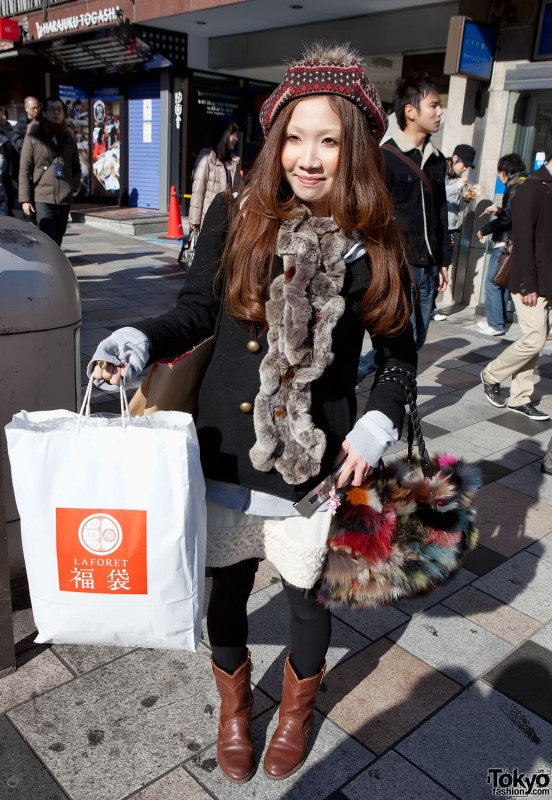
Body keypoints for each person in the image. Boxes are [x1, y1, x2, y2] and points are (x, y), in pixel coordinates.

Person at [90, 43, 417, 784]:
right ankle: (234, 709)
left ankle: (297, 709)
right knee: (227, 590)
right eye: (296, 136)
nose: (309, 157)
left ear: (354, 146)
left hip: (314, 462)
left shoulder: (371, 242)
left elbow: (401, 358)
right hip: (226, 448)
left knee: (305, 596)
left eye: (329, 139)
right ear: (275, 138)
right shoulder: (234, 215)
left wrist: (373, 426)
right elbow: (196, 310)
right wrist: (138, 338)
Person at [356, 73, 451, 382]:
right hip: (400, 266)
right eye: (434, 105)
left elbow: (440, 212)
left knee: (418, 339)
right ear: (411, 111)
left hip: (428, 266)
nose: (440, 113)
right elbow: (373, 215)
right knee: (402, 344)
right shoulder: (385, 158)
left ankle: (357, 371)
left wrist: (444, 260)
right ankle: (385, 394)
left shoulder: (437, 161)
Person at [480, 132, 552, 421]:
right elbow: (522, 240)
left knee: (534, 341)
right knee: (534, 340)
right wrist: (526, 284)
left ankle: (520, 397)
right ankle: (490, 373)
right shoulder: (532, 188)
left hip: (547, 281)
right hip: (529, 281)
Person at [19, 96, 81, 246]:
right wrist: (25, 199)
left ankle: (55, 265)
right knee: (49, 236)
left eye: (59, 109)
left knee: (59, 236)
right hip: (42, 195)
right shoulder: (34, 135)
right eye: (51, 109)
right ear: (45, 113)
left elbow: (76, 165)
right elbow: (25, 167)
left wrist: (74, 185)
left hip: (64, 195)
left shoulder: (68, 136)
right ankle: (51, 267)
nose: (56, 113)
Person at [476, 153, 527, 336]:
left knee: (492, 282)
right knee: (502, 280)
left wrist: (485, 229)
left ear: (507, 170)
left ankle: (496, 324)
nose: (498, 175)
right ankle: (497, 320)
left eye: (499, 171)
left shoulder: (513, 187)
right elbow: (512, 214)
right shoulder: (524, 184)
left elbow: (508, 220)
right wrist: (498, 210)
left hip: (505, 243)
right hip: (515, 242)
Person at [432, 144, 477, 320]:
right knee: (436, 265)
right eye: (464, 164)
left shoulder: (455, 176)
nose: (465, 169)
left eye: (468, 167)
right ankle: (428, 309)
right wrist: (456, 186)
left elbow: (455, 207)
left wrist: (465, 201)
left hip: (450, 228)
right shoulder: (440, 169)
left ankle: (430, 307)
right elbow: (436, 194)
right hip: (436, 228)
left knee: (444, 265)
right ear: (455, 158)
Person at [188, 121, 242, 231]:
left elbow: (238, 190)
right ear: (225, 135)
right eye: (233, 134)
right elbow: (198, 189)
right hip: (210, 218)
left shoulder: (234, 162)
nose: (236, 139)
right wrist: (194, 220)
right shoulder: (208, 157)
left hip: (227, 219)